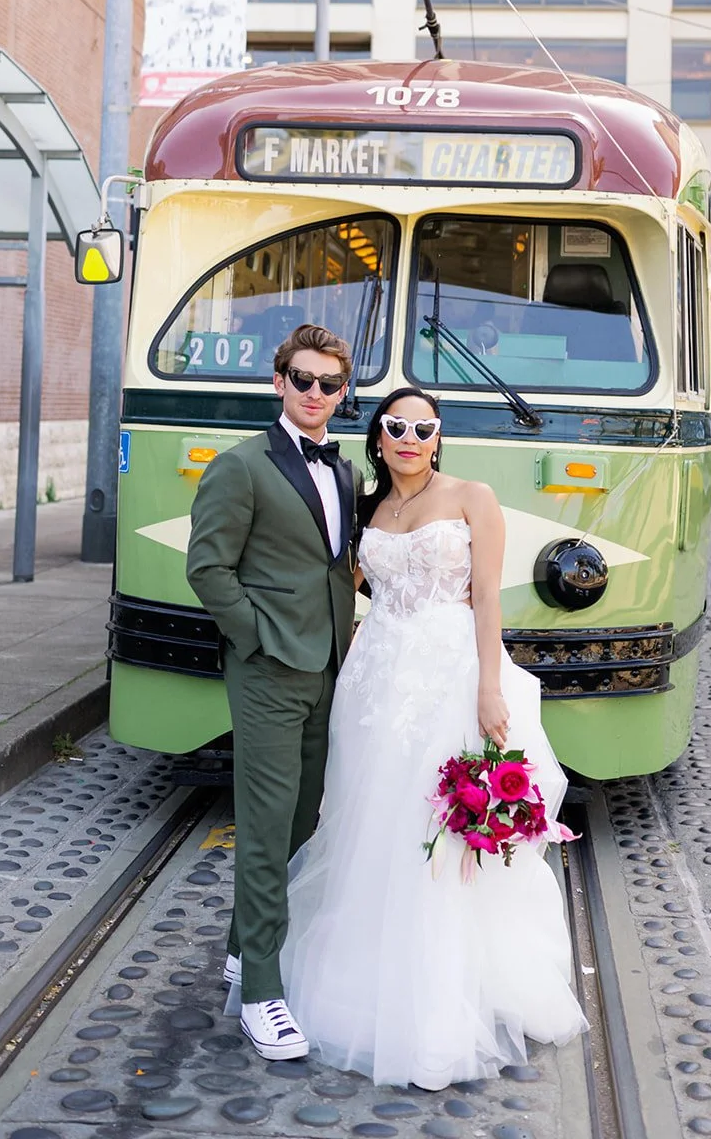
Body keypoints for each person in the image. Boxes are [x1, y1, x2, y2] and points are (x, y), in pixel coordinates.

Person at [281, 387, 587, 1090]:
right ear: (379, 438)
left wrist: (488, 687)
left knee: (438, 829)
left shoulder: (471, 496)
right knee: (371, 820)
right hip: (374, 680)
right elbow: (352, 584)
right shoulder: (369, 509)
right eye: (396, 427)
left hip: (448, 675)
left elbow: (486, 598)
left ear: (437, 437)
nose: (410, 437)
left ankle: (443, 995)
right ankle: (367, 973)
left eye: (423, 427)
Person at [186, 325, 363, 1062]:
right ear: (277, 382)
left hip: (328, 667)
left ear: (342, 392)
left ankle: (239, 947)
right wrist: (252, 639)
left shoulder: (346, 472)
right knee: (262, 829)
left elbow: (338, 564)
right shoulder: (240, 466)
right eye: (302, 380)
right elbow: (207, 568)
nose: (314, 394)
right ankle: (262, 991)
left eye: (328, 384)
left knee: (301, 820)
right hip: (266, 672)